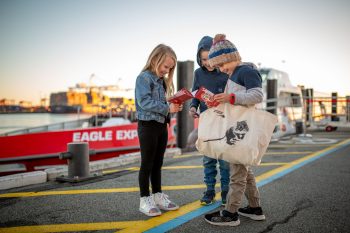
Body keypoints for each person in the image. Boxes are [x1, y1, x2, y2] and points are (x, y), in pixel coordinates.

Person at [203, 34, 265, 226]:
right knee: (244, 170)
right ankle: (255, 208)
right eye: (218, 67)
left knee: (237, 173)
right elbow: (236, 100)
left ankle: (231, 213)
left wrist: (230, 98)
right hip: (240, 127)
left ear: (231, 57)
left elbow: (257, 95)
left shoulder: (245, 71)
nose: (221, 70)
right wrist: (219, 102)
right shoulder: (235, 73)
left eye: (222, 65)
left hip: (242, 129)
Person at [135, 44, 182, 217]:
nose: (167, 71)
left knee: (158, 163)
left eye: (170, 68)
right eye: (165, 66)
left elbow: (160, 103)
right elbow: (144, 102)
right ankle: (144, 199)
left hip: (161, 126)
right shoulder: (143, 78)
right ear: (155, 60)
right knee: (147, 164)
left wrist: (173, 103)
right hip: (147, 126)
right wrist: (168, 107)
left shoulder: (161, 81)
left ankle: (157, 195)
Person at [189, 36, 230, 206]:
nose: (207, 62)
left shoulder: (225, 72)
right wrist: (193, 107)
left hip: (224, 121)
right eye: (203, 59)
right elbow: (195, 93)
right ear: (199, 58)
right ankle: (210, 190)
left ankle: (226, 192)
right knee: (208, 159)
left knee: (225, 161)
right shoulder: (198, 73)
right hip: (206, 122)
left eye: (210, 58)